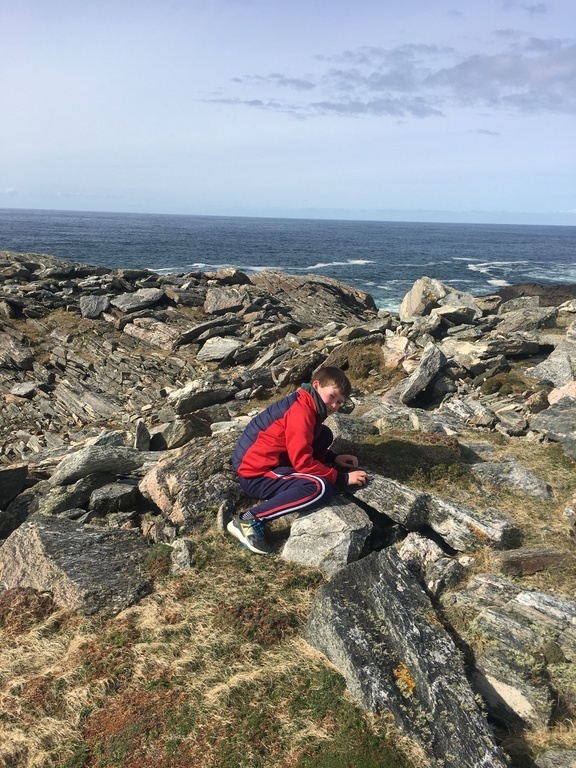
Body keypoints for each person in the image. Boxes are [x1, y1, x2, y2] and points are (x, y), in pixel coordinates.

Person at [228, 366, 368, 554]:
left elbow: (301, 444)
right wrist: (342, 478)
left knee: (324, 434)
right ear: (316, 385)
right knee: (319, 488)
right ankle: (249, 520)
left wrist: (332, 457)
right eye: (333, 396)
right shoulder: (301, 412)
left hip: (266, 462)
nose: (335, 405)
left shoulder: (305, 403)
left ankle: (287, 485)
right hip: (256, 474)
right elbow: (302, 461)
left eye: (340, 402)